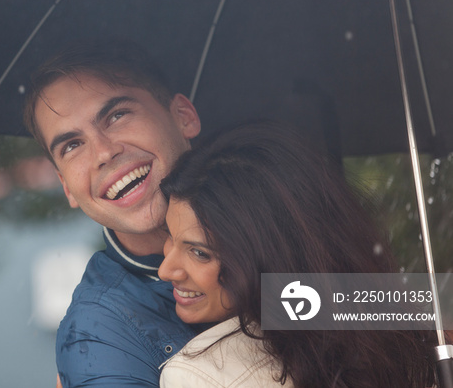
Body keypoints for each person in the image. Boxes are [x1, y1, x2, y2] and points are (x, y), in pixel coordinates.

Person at [157, 122, 434, 388]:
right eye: (169, 234)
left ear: (267, 256)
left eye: (199, 253)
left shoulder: (199, 377)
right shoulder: (399, 332)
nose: (165, 271)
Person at [22, 40, 202, 387]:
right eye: (72, 145)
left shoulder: (274, 218)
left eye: (116, 115)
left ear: (183, 117)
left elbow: (334, 320)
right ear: (66, 187)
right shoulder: (96, 331)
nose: (103, 152)